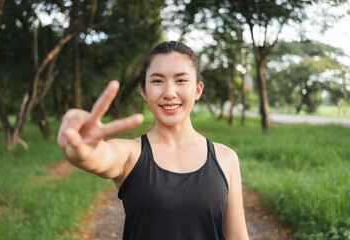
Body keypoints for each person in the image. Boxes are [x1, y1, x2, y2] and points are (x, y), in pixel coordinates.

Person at [57, 41, 249, 240]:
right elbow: (100, 156)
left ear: (198, 90)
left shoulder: (226, 158)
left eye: (181, 80)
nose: (169, 93)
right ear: (144, 91)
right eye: (158, 81)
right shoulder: (131, 154)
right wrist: (82, 151)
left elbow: (238, 236)